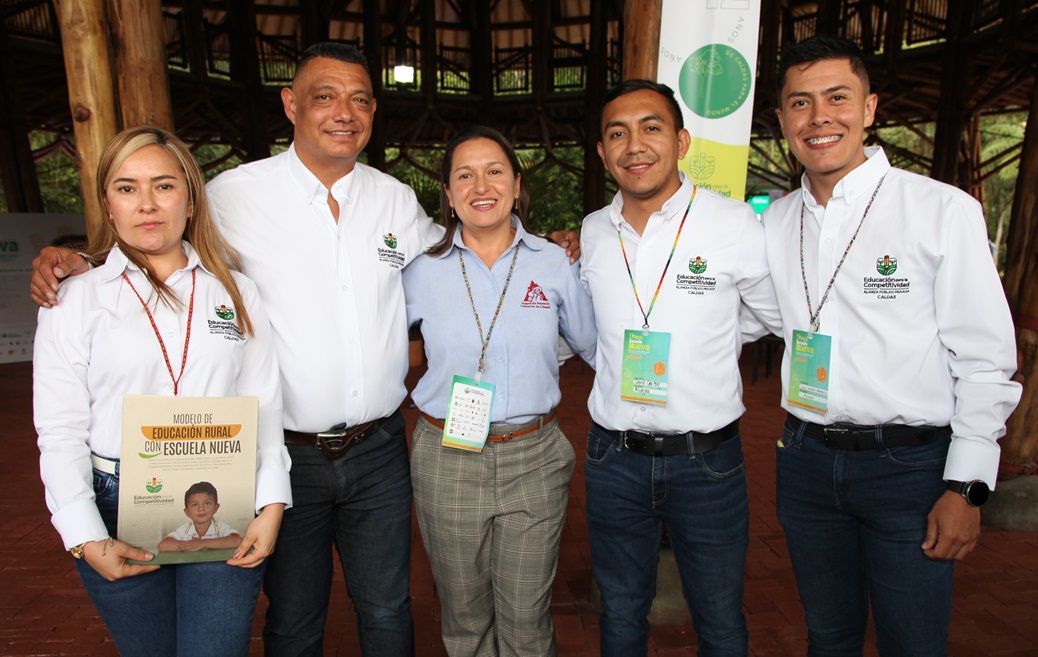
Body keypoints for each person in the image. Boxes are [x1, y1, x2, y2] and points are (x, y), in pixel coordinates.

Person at [29, 42, 578, 657]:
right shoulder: (233, 195)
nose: (344, 111)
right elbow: (157, 227)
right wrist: (82, 258)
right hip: (285, 452)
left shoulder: (395, 199)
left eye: (360, 99)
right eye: (325, 96)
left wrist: (551, 247)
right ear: (291, 104)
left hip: (378, 451)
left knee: (388, 605)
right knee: (293, 614)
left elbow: (468, 252)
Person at [764, 35, 1022, 656]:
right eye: (800, 103)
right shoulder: (773, 222)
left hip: (909, 469)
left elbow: (986, 359)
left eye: (837, 98)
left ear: (870, 107)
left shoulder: (939, 211)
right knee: (828, 637)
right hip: (805, 460)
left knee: (912, 643)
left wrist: (966, 488)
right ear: (782, 121)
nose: (819, 117)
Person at [33, 126, 290, 657]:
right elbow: (59, 431)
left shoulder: (236, 291)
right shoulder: (76, 299)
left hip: (223, 490)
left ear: (191, 199)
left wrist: (271, 504)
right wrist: (84, 534)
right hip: (116, 504)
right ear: (107, 202)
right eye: (127, 188)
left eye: (164, 186)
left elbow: (263, 406)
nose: (146, 204)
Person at [578, 79, 780, 657]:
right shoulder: (593, 231)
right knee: (620, 613)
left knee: (718, 617)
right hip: (612, 458)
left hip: (708, 462)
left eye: (651, 127)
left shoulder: (733, 222)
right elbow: (592, 328)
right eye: (617, 133)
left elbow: (768, 316)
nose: (634, 144)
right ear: (602, 151)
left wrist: (706, 341)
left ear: (682, 141)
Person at [403, 126, 597, 657]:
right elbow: (378, 348)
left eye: (494, 171)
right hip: (447, 457)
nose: (480, 184)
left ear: (516, 183)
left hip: (533, 456)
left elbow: (594, 346)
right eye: (464, 174)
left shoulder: (556, 263)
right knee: (464, 616)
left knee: (526, 616)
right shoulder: (419, 271)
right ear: (447, 193)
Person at [159, 482, 243, 552]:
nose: (201, 509)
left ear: (216, 508)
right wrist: (191, 545)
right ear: (187, 512)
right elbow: (163, 546)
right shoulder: (184, 529)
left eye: (207, 503)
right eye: (195, 505)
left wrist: (202, 543)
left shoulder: (220, 527)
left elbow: (237, 541)